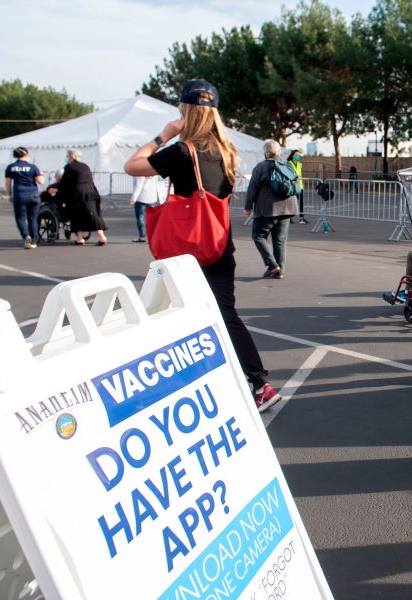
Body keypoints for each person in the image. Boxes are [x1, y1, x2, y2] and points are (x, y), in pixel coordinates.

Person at [124, 79, 282, 412]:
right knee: (226, 315)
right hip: (219, 245)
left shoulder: (183, 151)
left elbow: (132, 165)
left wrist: (163, 135)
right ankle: (259, 383)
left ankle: (178, 385)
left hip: (186, 251)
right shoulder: (226, 151)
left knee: (173, 314)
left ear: (186, 111)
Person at [244, 140, 299, 280]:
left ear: (266, 152)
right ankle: (279, 271)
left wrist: (248, 206)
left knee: (258, 236)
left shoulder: (261, 167)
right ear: (278, 152)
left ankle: (273, 264)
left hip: (267, 209)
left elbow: (252, 188)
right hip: (288, 208)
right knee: (280, 240)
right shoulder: (288, 165)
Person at [61, 148, 107, 246]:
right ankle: (101, 236)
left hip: (77, 193)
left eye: (68, 156)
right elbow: (90, 180)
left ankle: (79, 238)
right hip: (91, 191)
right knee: (94, 214)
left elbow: (64, 183)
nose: (67, 158)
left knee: (76, 215)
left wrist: (62, 195)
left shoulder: (69, 167)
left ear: (72, 156)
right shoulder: (86, 166)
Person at [4, 147, 44, 249]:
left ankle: (26, 236)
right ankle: (34, 241)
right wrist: (41, 175)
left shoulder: (10, 167)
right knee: (33, 219)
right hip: (33, 195)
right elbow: (41, 181)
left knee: (20, 218)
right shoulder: (33, 167)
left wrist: (9, 195)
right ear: (26, 154)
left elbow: (8, 183)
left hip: (20, 195)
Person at [129, 176, 166, 243]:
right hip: (152, 197)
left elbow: (139, 184)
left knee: (140, 218)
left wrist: (134, 197)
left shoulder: (140, 171)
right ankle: (154, 236)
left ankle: (142, 236)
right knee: (152, 218)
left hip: (141, 197)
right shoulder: (153, 171)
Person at [288, 149, 307, 224]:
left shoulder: (300, 164)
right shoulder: (289, 163)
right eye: (296, 155)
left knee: (301, 202)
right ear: (292, 155)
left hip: (300, 186)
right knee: (291, 202)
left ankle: (301, 218)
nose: (297, 156)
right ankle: (289, 218)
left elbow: (300, 175)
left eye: (298, 155)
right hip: (292, 186)